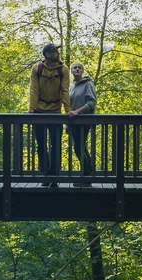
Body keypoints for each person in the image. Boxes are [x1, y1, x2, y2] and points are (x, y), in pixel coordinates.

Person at [27, 43, 69, 186]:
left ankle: (54, 176)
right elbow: (34, 90)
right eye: (55, 52)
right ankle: (45, 175)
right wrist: (31, 111)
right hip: (39, 111)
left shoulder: (63, 69)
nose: (58, 53)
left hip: (56, 112)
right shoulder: (36, 69)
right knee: (40, 145)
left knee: (56, 145)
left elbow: (65, 91)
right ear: (48, 55)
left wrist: (68, 111)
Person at [66, 61, 97, 186]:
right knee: (81, 147)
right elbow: (70, 106)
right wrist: (68, 124)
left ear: (83, 70)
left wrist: (77, 112)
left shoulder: (88, 84)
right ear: (71, 71)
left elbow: (91, 103)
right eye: (74, 68)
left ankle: (87, 177)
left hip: (84, 121)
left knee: (79, 148)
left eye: (79, 67)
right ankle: (87, 174)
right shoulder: (72, 86)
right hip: (74, 122)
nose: (77, 69)